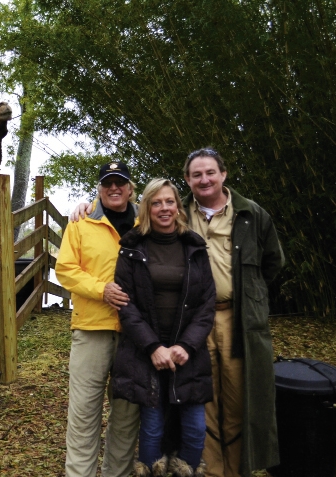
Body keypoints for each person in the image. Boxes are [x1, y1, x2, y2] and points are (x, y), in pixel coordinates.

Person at [71, 148, 284, 477]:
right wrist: (87, 210)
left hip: (217, 321)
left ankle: (227, 469)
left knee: (226, 397)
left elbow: (271, 264)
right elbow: (70, 270)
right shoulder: (103, 223)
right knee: (94, 413)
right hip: (129, 327)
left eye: (210, 172)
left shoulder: (240, 215)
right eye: (196, 174)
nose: (204, 180)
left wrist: (248, 294)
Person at [111, 178, 215, 477]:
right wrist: (154, 347)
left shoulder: (194, 247)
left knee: (195, 427)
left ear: (178, 207)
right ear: (146, 208)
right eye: (156, 203)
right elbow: (126, 306)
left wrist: (186, 345)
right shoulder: (132, 248)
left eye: (169, 202)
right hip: (148, 351)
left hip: (188, 351)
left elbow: (206, 303)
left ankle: (188, 471)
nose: (164, 208)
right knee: (153, 426)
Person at [56, 161, 141, 477]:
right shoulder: (81, 223)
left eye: (120, 182)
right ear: (99, 188)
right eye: (108, 183)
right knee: (84, 411)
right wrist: (100, 290)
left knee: (127, 411)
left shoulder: (147, 223)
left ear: (131, 188)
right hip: (93, 327)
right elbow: (66, 269)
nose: (114, 188)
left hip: (135, 332)